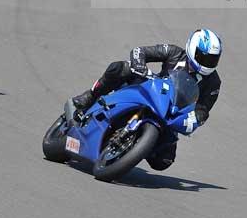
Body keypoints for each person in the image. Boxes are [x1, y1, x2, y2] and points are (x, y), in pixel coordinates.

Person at [72, 28, 222, 171]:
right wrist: (140, 66)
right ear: (192, 48)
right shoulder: (174, 52)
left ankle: (135, 147)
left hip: (171, 113)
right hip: (149, 91)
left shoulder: (213, 82)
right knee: (119, 68)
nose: (208, 62)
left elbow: (204, 108)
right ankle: (91, 96)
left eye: (213, 59)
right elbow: (140, 51)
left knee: (163, 161)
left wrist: (197, 118)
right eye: (204, 57)